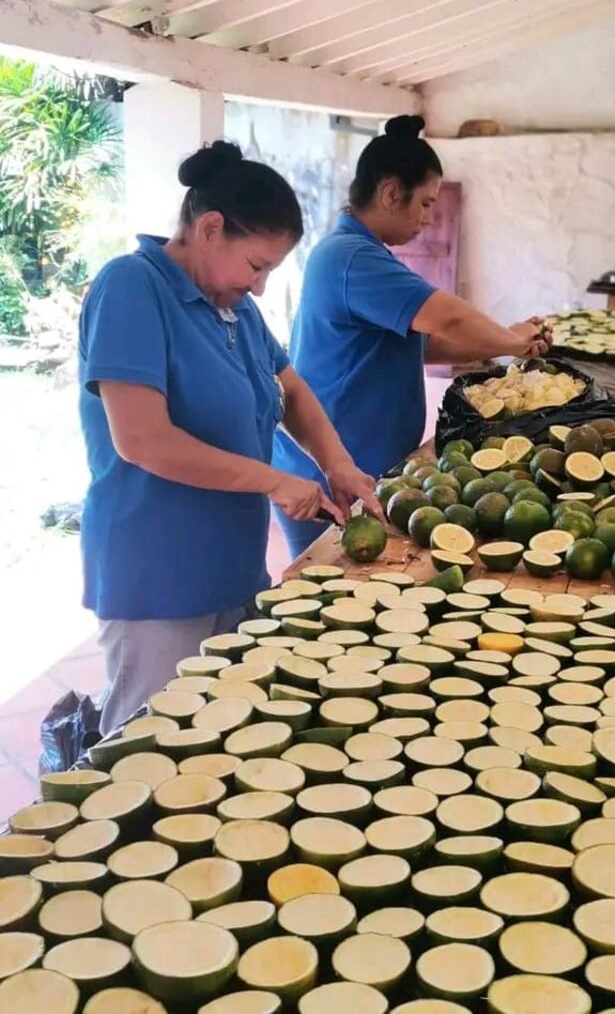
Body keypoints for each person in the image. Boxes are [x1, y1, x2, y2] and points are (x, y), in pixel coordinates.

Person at [78, 140, 379, 735]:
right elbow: (143, 441)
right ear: (210, 228)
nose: (261, 285)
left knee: (222, 736)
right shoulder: (132, 288)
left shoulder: (233, 306)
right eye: (257, 265)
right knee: (149, 748)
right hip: (159, 575)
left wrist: (337, 463)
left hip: (232, 569)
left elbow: (290, 389)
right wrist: (274, 480)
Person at [272, 114, 551, 559]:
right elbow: (448, 320)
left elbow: (427, 345)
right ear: (389, 193)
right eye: (425, 203)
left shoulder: (365, 255)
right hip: (334, 474)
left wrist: (505, 343)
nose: (428, 219)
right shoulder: (351, 258)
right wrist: (509, 341)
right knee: (329, 594)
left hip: (366, 467)